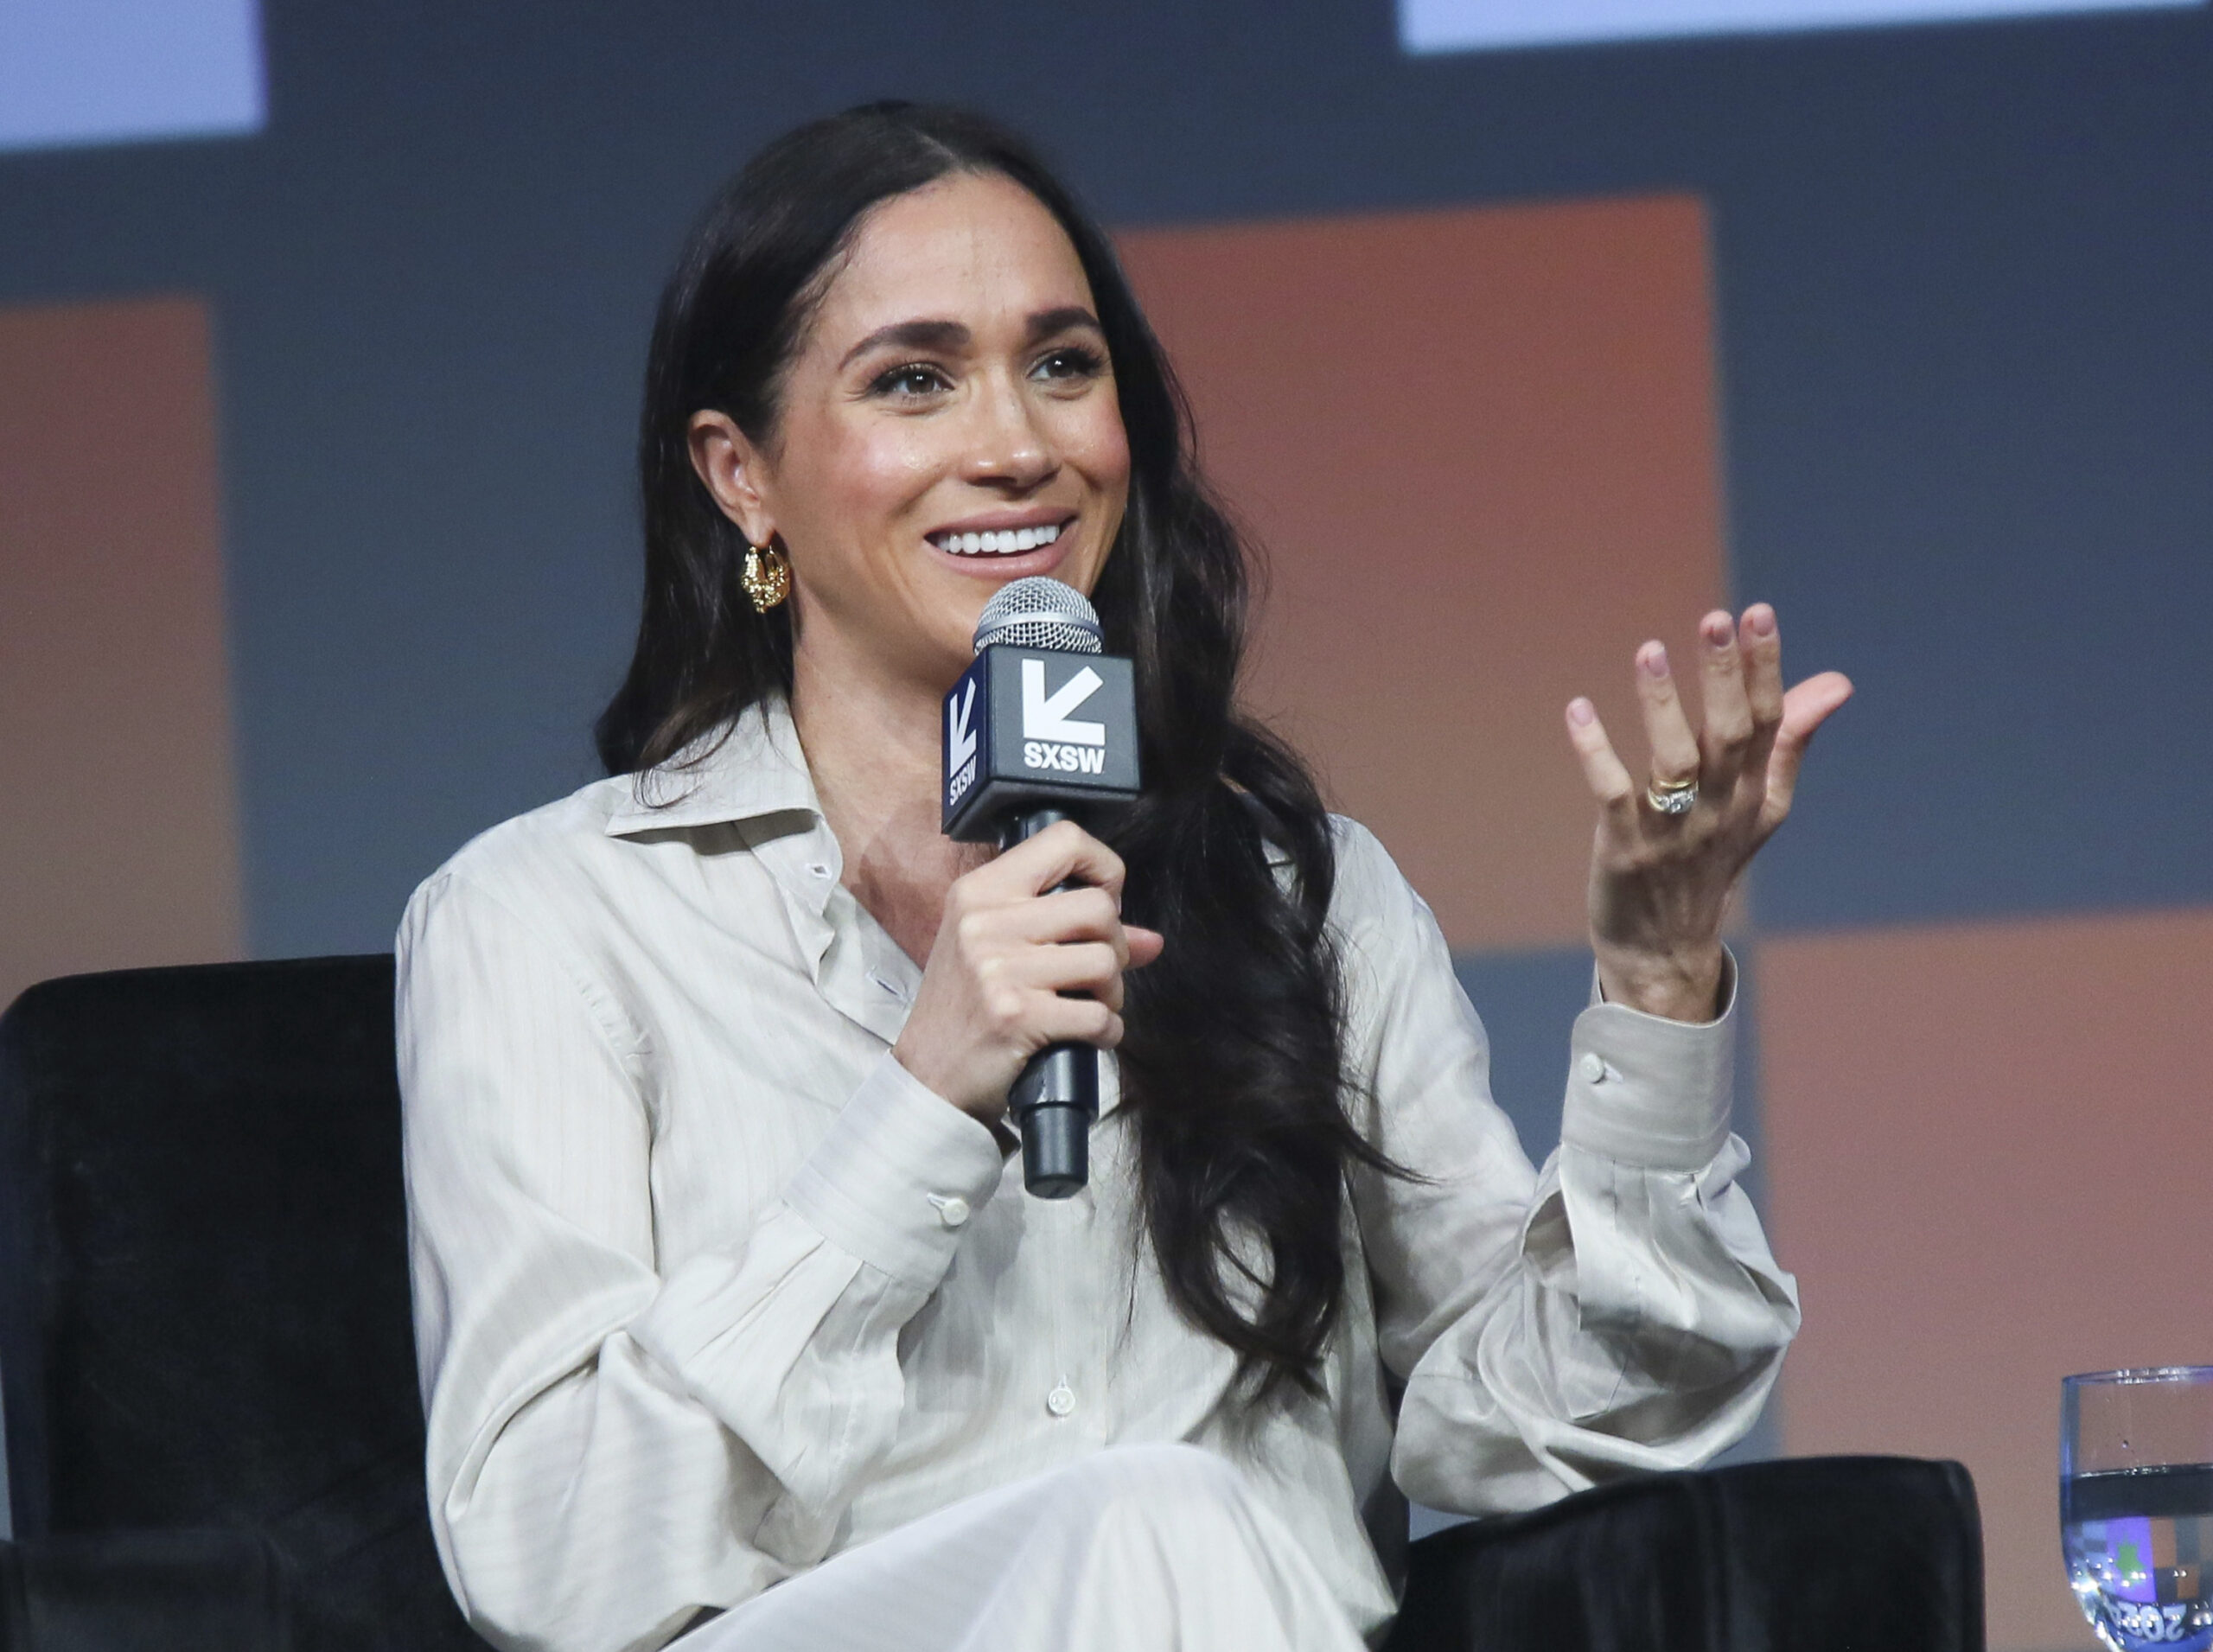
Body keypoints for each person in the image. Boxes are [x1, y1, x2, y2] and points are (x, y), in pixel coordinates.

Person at [396, 102, 1853, 1652]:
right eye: (915, 380)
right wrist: (921, 1101)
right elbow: (550, 1558)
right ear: (740, 475)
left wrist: (1657, 988)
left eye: (1063, 364)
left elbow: (1538, 1424)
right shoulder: (549, 921)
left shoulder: (1298, 894)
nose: (1018, 445)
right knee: (1153, 1515)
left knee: (1172, 1520)